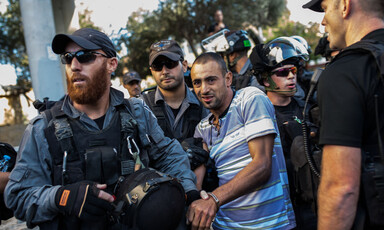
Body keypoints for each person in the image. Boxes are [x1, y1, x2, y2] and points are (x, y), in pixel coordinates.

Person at [4, 28, 198, 230]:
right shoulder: (42, 128)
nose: (74, 66)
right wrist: (63, 197)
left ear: (111, 64)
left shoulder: (137, 112)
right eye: (68, 58)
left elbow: (170, 156)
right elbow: (18, 196)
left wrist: (189, 191)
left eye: (85, 56)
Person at [187, 52, 296, 229]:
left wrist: (214, 199)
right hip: (223, 225)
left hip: (270, 225)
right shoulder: (202, 128)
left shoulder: (250, 99)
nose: (204, 89)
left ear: (228, 79)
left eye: (211, 80)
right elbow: (198, 183)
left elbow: (262, 166)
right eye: (197, 82)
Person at [303, 0, 384, 229]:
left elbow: (341, 189)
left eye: (326, 8)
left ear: (345, 6)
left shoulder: (346, 71)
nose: (323, 20)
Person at [250, 36, 318, 230]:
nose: (291, 76)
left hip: (312, 203)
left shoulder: (306, 108)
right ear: (265, 79)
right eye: (283, 72)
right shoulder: (259, 117)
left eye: (294, 70)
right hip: (282, 209)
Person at [142, 40, 211, 191]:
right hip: (161, 195)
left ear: (184, 65)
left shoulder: (205, 100)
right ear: (151, 71)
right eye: (157, 66)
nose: (164, 71)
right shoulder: (142, 107)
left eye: (170, 63)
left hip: (204, 193)